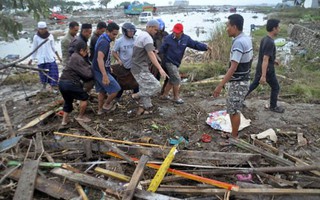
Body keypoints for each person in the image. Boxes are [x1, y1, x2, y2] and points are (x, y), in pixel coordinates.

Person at [213, 14, 253, 145]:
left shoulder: (239, 42)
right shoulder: (246, 38)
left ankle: (234, 138)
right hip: (243, 79)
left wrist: (220, 85)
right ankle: (233, 134)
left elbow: (233, 67)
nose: (226, 29)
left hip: (238, 82)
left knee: (234, 110)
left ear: (234, 27)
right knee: (233, 108)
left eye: (228, 26)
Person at [159, 23, 210, 104]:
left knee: (172, 79)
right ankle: (176, 98)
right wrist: (156, 52)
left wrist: (205, 47)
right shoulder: (168, 38)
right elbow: (162, 49)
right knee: (177, 78)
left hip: (176, 62)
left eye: (177, 32)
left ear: (181, 32)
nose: (175, 33)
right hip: (168, 62)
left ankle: (164, 95)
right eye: (174, 32)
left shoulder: (186, 39)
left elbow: (195, 44)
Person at [246, 19, 284, 113]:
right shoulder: (270, 42)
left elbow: (265, 56)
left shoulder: (265, 39)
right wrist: (263, 76)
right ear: (274, 28)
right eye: (278, 27)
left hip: (261, 68)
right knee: (275, 87)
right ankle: (273, 106)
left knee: (254, 84)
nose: (279, 29)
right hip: (267, 70)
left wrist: (274, 61)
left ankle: (239, 99)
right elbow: (265, 59)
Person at [130, 19, 168, 115]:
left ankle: (147, 107)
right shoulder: (147, 38)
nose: (156, 32)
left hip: (137, 67)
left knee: (144, 87)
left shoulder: (141, 35)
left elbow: (149, 51)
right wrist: (160, 68)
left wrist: (153, 50)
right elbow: (150, 54)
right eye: (155, 30)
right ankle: (136, 95)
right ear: (150, 27)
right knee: (156, 86)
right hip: (140, 68)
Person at [59, 41, 93, 125]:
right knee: (84, 97)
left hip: (62, 83)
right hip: (70, 83)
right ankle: (80, 117)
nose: (87, 52)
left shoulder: (73, 56)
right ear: (81, 50)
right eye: (86, 50)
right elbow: (88, 74)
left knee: (68, 101)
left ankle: (64, 121)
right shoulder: (78, 58)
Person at [92, 22, 121, 115]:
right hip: (100, 71)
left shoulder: (102, 38)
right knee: (116, 89)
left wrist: (108, 67)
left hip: (97, 69)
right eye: (113, 34)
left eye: (116, 34)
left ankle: (100, 110)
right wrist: (105, 75)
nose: (115, 37)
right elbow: (99, 58)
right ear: (107, 31)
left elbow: (103, 58)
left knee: (101, 91)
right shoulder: (104, 42)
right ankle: (106, 104)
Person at [28, 21, 62, 92]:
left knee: (53, 74)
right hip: (41, 59)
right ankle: (44, 87)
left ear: (46, 29)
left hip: (50, 58)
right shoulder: (36, 37)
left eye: (43, 29)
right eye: (40, 29)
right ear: (38, 29)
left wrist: (58, 57)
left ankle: (54, 87)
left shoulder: (50, 36)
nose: (42, 30)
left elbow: (53, 47)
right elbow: (34, 49)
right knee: (43, 75)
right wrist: (31, 59)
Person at [112, 22, 138, 100]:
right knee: (122, 82)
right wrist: (119, 60)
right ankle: (117, 97)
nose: (131, 33)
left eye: (133, 31)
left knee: (136, 82)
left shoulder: (135, 39)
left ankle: (135, 96)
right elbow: (114, 52)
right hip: (124, 65)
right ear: (125, 31)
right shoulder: (119, 41)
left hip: (134, 65)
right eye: (130, 31)